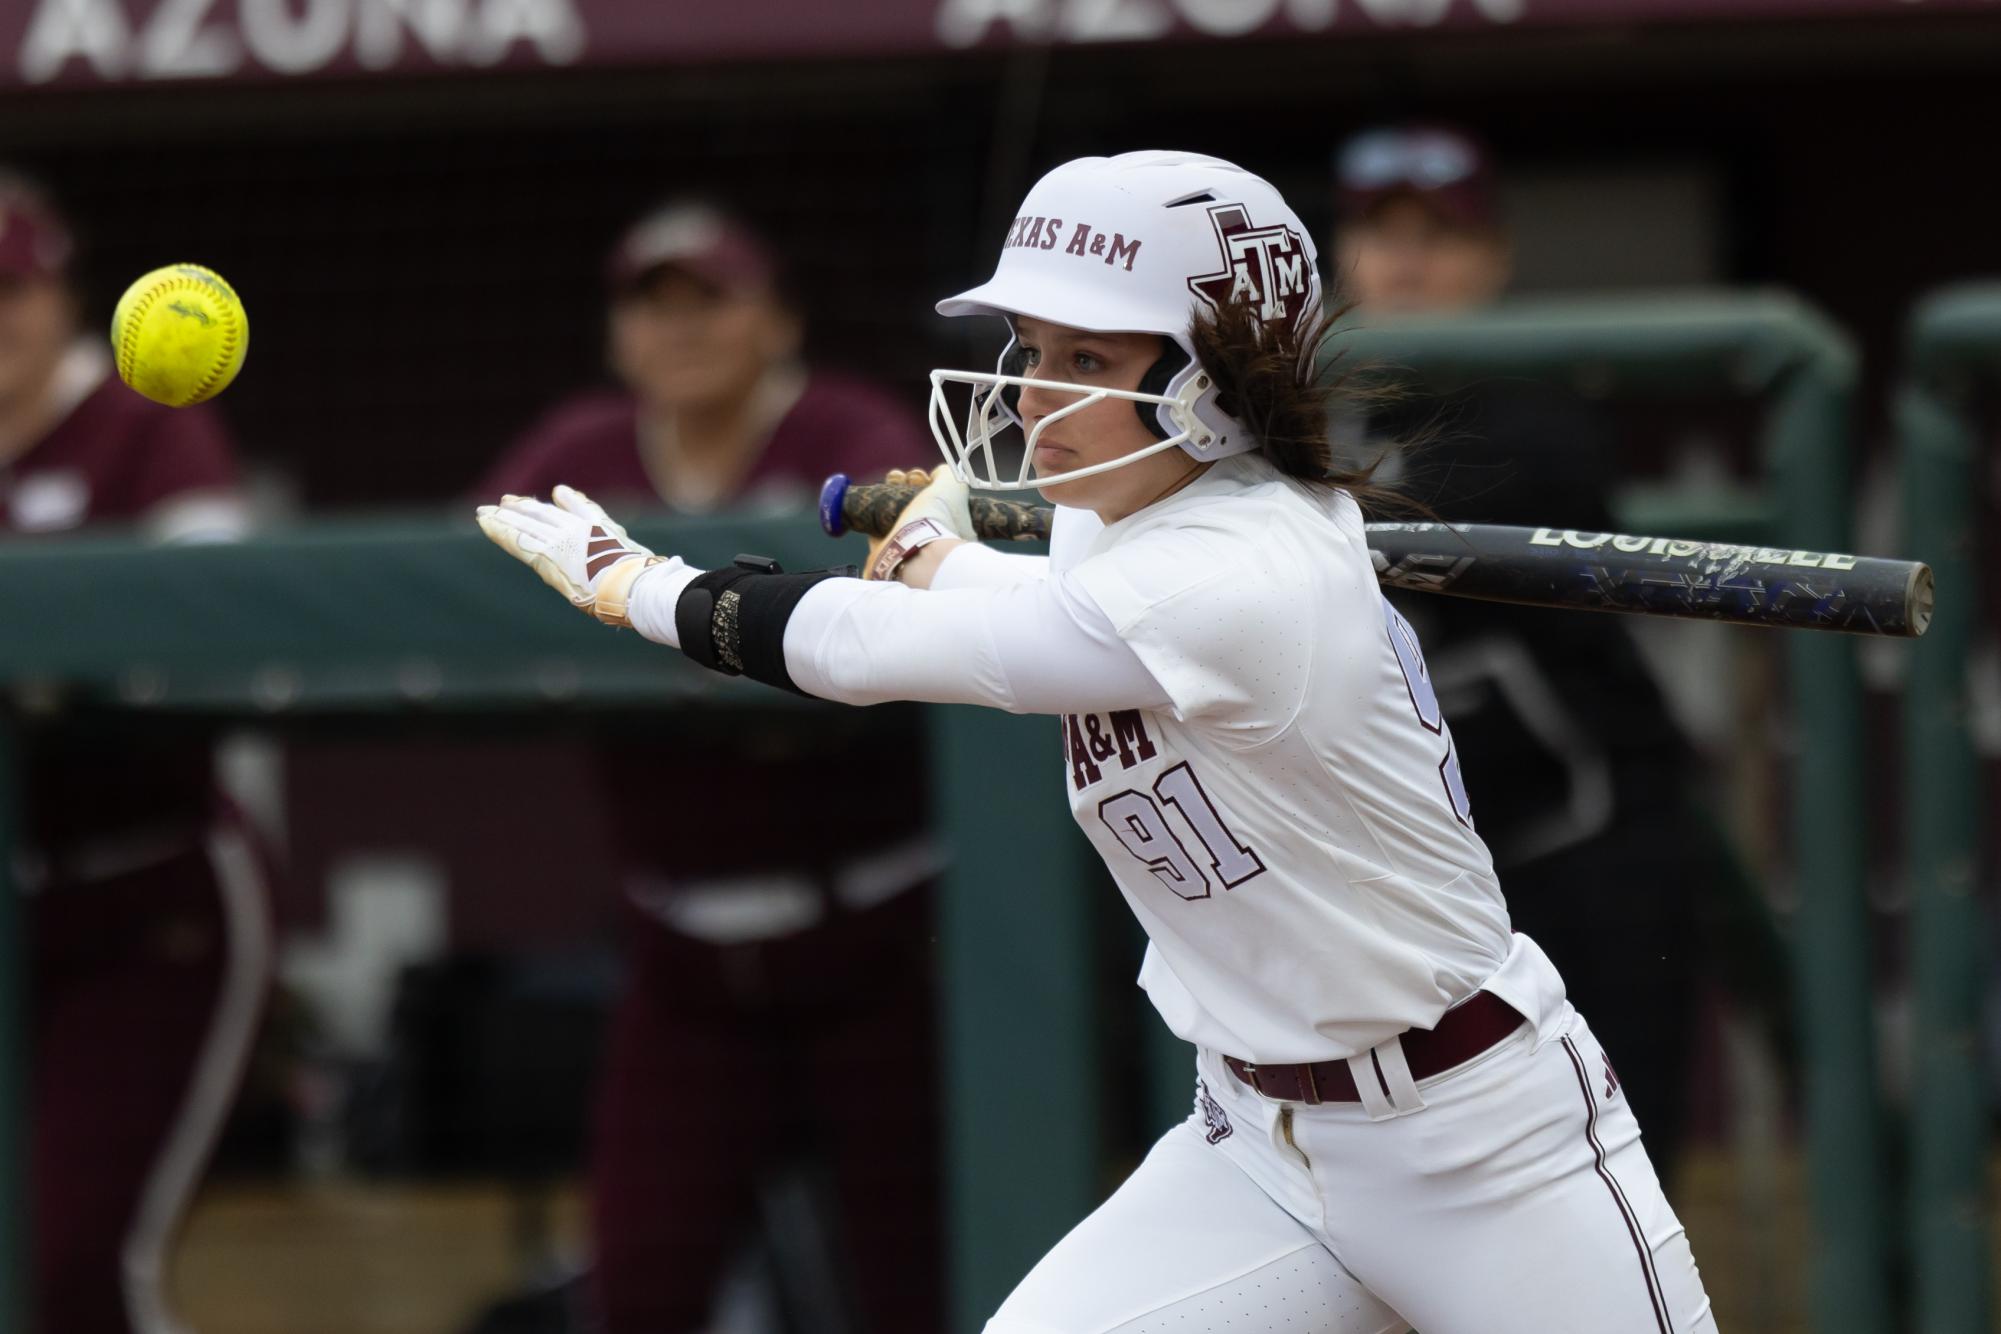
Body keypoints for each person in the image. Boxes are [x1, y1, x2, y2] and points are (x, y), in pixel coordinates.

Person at [478, 151, 1714, 1334]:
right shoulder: (1118, 522)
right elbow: (1027, 603)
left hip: (1479, 1140)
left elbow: (872, 649)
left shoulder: (1245, 570)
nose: (1028, 390)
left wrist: (641, 585)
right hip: (1260, 1147)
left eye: (1086, 356)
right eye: (1029, 349)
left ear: (1212, 381)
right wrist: (943, 546)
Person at [474, 201, 943, 1334]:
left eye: (711, 299)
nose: (682, 329)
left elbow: (913, 585)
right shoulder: (577, 452)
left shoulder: (844, 424)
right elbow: (477, 578)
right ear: (619, 334)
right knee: (641, 1277)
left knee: (917, 1279)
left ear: (776, 320)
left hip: (877, 939)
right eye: (654, 304)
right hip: (682, 959)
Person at [1330, 124, 1719, 1180]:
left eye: (1437, 235)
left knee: (1611, 1180)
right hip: (1447, 884)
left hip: (1591, 850)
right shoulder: (1329, 414)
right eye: (1379, 233)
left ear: (1493, 257)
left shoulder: (1536, 406)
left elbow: (1432, 504)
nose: (1407, 262)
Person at [0, 173, 270, 1334]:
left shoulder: (145, 418)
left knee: (79, 1266)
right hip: (13, 897)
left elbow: (205, 601)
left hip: (145, 885)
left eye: (8, 290)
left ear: (57, 294)